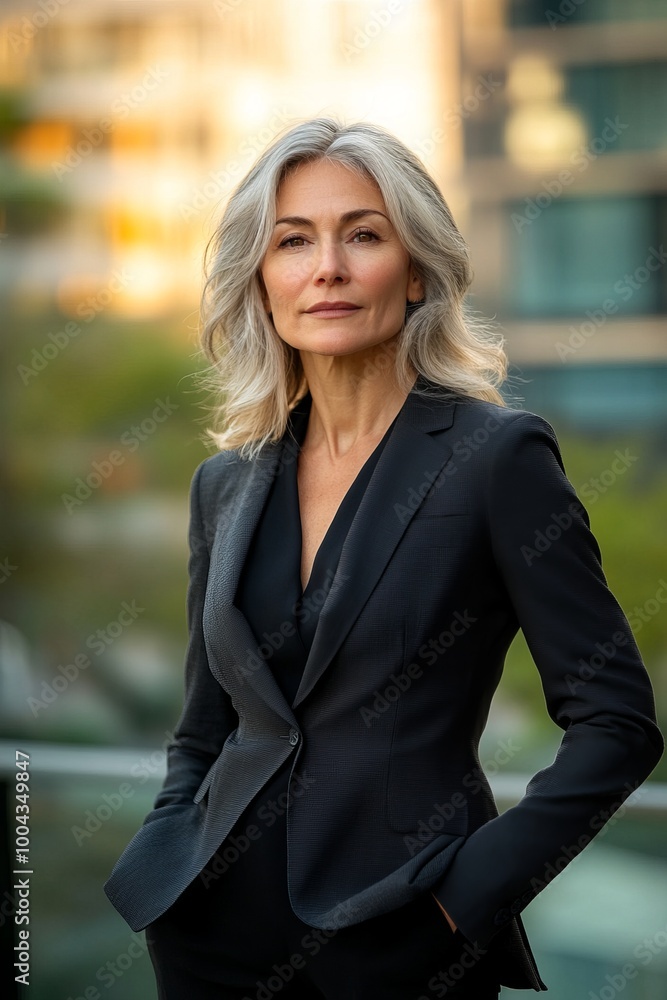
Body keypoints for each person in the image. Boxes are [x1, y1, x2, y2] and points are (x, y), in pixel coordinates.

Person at [104, 118, 663, 999]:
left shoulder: (495, 459)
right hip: (207, 937)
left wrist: (459, 902)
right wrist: (169, 843)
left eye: (362, 235)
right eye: (293, 241)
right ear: (262, 279)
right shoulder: (225, 483)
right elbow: (206, 726)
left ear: (415, 272)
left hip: (401, 942)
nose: (326, 267)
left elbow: (615, 724)